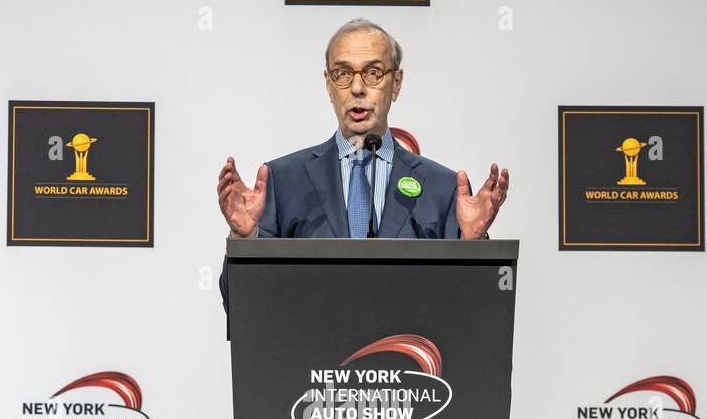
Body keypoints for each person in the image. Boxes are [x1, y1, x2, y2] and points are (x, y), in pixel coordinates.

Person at [216, 17, 510, 314]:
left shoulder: (443, 188)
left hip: (408, 357)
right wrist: (244, 240)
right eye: (342, 73)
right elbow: (242, 306)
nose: (357, 88)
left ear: (396, 84)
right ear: (329, 85)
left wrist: (473, 245)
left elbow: (473, 312)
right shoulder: (283, 180)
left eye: (373, 73)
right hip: (310, 357)